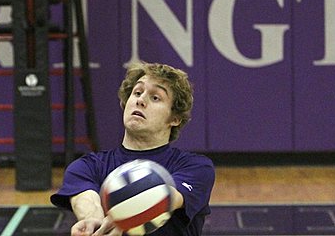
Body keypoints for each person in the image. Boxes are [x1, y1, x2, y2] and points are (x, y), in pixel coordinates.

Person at [51, 62, 215, 236]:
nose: (141, 100)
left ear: (174, 119)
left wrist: (119, 220)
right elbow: (86, 200)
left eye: (155, 97)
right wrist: (95, 221)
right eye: (137, 92)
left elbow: (166, 196)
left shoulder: (196, 167)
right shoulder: (87, 166)